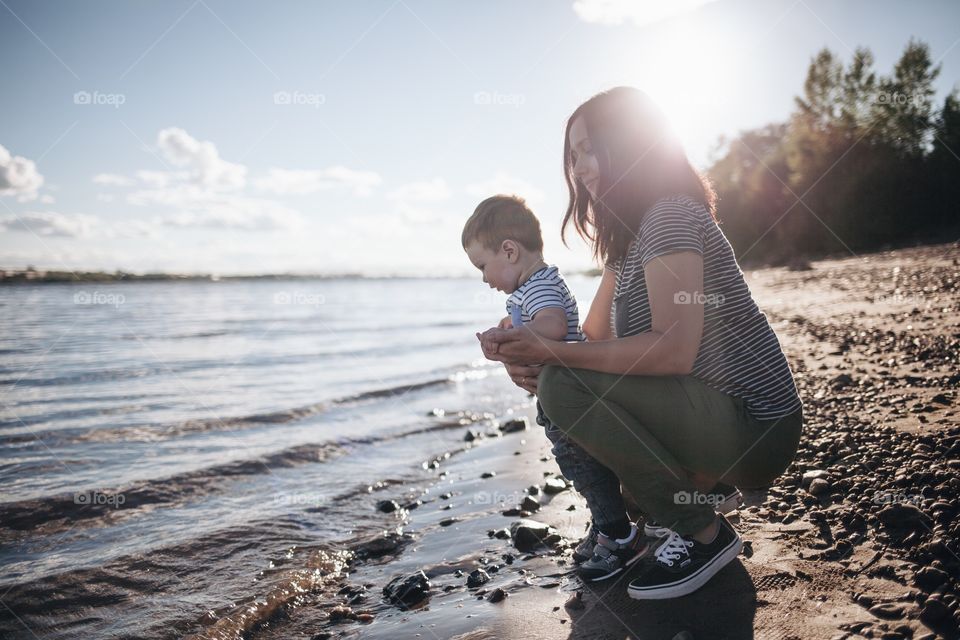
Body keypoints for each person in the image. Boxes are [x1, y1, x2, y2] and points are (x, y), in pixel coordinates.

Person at [478, 87, 804, 600]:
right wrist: (529, 353)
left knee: (564, 387)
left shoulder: (670, 215)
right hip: (716, 417)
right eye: (572, 156)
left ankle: (705, 535)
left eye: (587, 149)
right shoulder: (632, 238)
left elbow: (672, 350)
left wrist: (554, 362)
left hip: (757, 423)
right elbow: (596, 338)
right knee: (573, 404)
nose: (579, 168)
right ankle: (697, 490)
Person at [462, 194, 648, 581]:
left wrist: (510, 337)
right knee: (584, 465)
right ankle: (607, 524)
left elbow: (552, 327)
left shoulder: (541, 287)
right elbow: (535, 320)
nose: (484, 278)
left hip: (570, 400)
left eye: (483, 266)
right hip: (563, 396)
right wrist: (508, 329)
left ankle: (618, 536)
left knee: (582, 465)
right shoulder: (530, 288)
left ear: (509, 251)